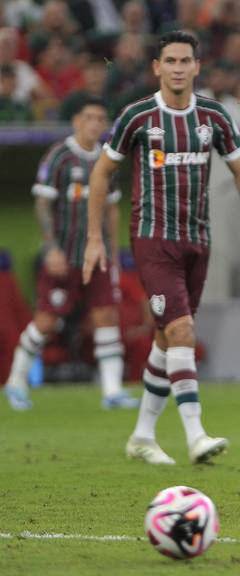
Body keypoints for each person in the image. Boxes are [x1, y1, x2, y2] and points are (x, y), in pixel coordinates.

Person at [82, 30, 240, 465]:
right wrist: (94, 237)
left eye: (186, 61)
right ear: (157, 67)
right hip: (153, 238)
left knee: (168, 339)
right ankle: (195, 433)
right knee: (182, 331)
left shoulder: (215, 118)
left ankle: (142, 435)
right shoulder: (138, 117)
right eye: (171, 61)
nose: (179, 68)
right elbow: (100, 174)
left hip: (198, 240)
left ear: (197, 67)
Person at [4, 97, 138, 411]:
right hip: (64, 256)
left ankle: (112, 391)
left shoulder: (107, 160)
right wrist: (50, 248)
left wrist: (113, 253)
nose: (94, 124)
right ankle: (16, 381)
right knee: (47, 321)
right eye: (89, 117)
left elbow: (111, 208)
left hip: (98, 256)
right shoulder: (60, 157)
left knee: (106, 316)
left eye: (100, 119)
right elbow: (42, 204)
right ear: (76, 121)